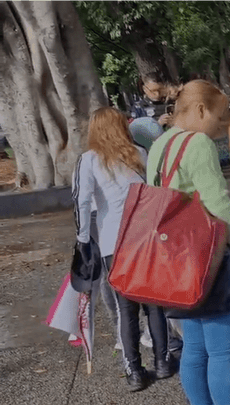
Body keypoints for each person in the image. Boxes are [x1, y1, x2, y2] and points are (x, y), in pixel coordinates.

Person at [147, 80, 230, 405]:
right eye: (218, 117)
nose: (219, 126)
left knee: (194, 348)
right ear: (199, 109)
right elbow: (219, 205)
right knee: (221, 353)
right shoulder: (197, 144)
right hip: (206, 261)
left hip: (171, 263)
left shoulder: (159, 145)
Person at [74, 107, 174, 392]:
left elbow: (81, 202)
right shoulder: (140, 153)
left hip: (112, 242)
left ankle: (134, 370)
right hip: (146, 237)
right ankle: (163, 360)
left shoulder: (89, 161)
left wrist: (82, 240)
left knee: (125, 308)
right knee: (154, 303)